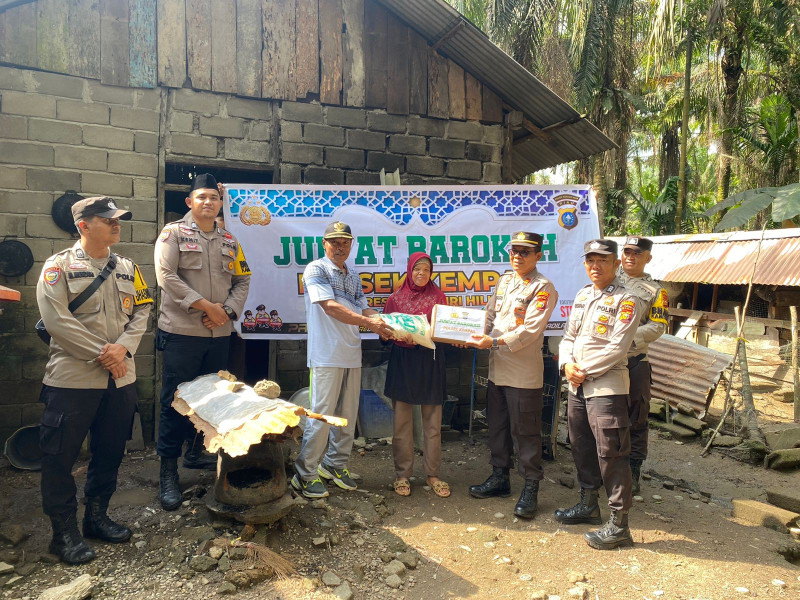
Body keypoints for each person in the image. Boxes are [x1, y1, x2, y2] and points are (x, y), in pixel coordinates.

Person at [36, 196, 153, 564]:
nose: (117, 225)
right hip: (72, 380)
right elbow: (56, 321)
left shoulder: (128, 268)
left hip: (120, 380)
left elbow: (144, 307)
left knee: (110, 452)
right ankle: (63, 533)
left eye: (118, 220)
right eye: (108, 220)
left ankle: (96, 518)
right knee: (59, 458)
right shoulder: (58, 267)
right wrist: (105, 353)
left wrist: (123, 350)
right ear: (83, 225)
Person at [154, 173, 251, 510]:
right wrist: (206, 306)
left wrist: (225, 311)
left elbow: (243, 279)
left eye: (213, 197)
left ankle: (197, 453)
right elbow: (165, 276)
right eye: (202, 197)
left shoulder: (230, 241)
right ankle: (168, 471)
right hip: (182, 333)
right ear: (190, 202)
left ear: (220, 203)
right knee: (175, 400)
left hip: (218, 333)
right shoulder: (173, 234)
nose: (208, 202)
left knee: (212, 400)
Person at [291, 221, 394, 498]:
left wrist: (387, 322)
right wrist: (368, 323)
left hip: (351, 352)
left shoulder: (353, 274)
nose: (339, 247)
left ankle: (334, 465)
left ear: (351, 245)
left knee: (347, 416)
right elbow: (330, 307)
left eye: (345, 242)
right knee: (321, 416)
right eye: (334, 241)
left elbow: (364, 307)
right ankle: (304, 474)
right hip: (325, 354)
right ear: (324, 244)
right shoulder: (317, 269)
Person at [556, 239, 642, 550]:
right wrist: (567, 364)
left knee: (612, 453)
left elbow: (618, 347)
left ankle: (620, 525)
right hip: (578, 384)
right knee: (580, 445)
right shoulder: (582, 295)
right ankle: (588, 504)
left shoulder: (627, 299)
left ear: (616, 263)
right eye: (590, 259)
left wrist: (583, 370)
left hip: (606, 387)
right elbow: (568, 336)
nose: (596, 265)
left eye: (603, 260)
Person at [466, 232, 558, 518]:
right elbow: (490, 316)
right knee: (498, 427)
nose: (517, 256)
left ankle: (531, 487)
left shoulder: (543, 288)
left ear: (538, 255)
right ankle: (500, 478)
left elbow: (530, 330)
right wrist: (474, 332)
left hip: (523, 373)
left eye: (525, 252)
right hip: (498, 370)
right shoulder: (504, 281)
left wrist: (491, 341)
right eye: (514, 251)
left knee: (526, 432)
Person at [383, 252, 450, 498]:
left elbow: (447, 330)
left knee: (433, 423)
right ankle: (402, 474)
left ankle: (432, 474)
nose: (421, 274)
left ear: (431, 273)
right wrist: (395, 334)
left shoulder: (439, 297)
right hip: (403, 362)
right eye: (417, 270)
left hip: (431, 362)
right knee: (402, 423)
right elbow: (383, 332)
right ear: (409, 271)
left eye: (426, 270)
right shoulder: (395, 298)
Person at [618, 236, 669, 494]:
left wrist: (630, 338)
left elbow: (658, 326)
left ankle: (633, 471)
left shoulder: (656, 292)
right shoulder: (606, 280)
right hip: (602, 361)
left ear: (647, 257)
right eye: (627, 251)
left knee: (636, 418)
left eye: (637, 253)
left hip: (634, 361)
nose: (630, 256)